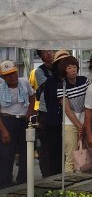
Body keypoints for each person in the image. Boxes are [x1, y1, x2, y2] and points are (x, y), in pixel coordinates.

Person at [0, 61, 35, 188]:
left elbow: (32, 96)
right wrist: (3, 130)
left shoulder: (24, 82)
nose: (12, 77)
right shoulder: (0, 88)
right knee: (6, 154)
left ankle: (23, 181)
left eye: (13, 74)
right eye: (8, 75)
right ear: (3, 77)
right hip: (6, 121)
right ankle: (5, 183)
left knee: (26, 151)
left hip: (23, 121)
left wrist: (30, 111)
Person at [57, 55, 89, 172]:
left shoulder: (84, 80)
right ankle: (69, 186)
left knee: (85, 156)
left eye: (74, 67)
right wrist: (80, 127)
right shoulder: (62, 86)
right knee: (70, 157)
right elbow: (67, 110)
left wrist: (85, 124)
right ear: (64, 70)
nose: (73, 70)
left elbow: (89, 103)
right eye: (69, 68)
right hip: (70, 124)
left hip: (86, 122)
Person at [44, 50, 70, 176]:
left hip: (70, 123)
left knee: (70, 156)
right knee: (55, 156)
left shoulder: (74, 80)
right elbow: (48, 101)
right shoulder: (50, 82)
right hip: (54, 124)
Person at [34, 49, 54, 177]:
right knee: (45, 145)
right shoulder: (40, 71)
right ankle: (46, 173)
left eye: (50, 51)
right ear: (41, 57)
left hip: (59, 110)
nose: (49, 54)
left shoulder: (59, 68)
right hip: (45, 112)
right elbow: (49, 85)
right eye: (45, 52)